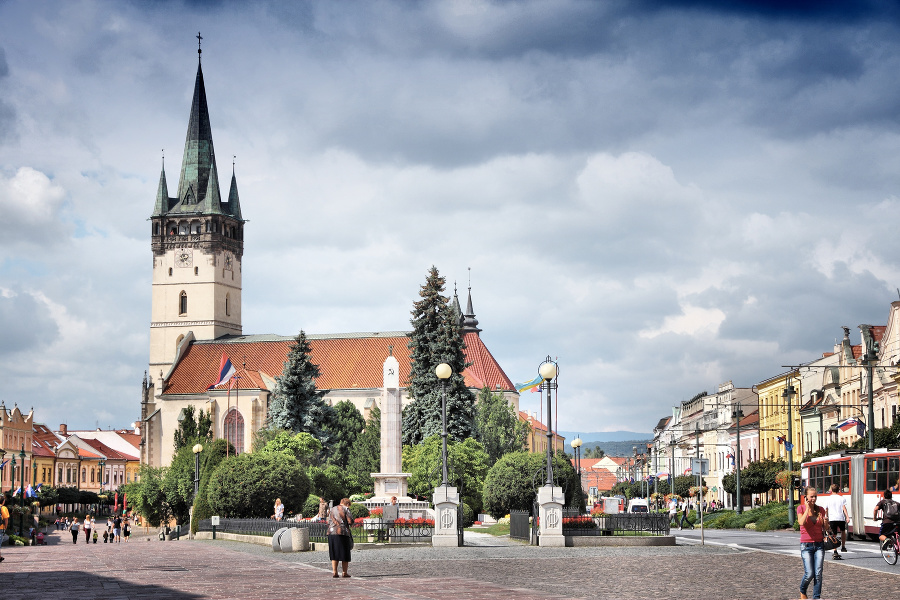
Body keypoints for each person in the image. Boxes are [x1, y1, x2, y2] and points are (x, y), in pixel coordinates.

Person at [798, 486, 830, 600]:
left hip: (819, 545)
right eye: (811, 496)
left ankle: (816, 597)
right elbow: (801, 522)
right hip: (806, 545)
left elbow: (826, 528)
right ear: (806, 497)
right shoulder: (800, 508)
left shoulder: (820, 509)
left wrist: (826, 522)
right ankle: (802, 589)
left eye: (815, 496)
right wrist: (807, 508)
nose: (814, 499)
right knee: (810, 573)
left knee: (818, 573)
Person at [327, 498, 354, 578]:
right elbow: (350, 521)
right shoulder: (346, 509)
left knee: (334, 552)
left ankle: (335, 572)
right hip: (342, 532)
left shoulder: (332, 509)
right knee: (344, 553)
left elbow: (329, 520)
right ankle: (344, 572)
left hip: (331, 532)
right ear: (348, 504)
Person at [823, 483, 850, 559]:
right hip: (840, 518)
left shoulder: (828, 499)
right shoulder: (842, 498)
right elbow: (844, 508)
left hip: (832, 518)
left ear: (831, 490)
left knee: (833, 534)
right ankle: (843, 546)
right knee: (843, 531)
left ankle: (835, 550)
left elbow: (826, 509)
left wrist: (826, 517)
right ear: (838, 490)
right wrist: (847, 517)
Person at [0, 496, 9, 562]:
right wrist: (5, 527)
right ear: (3, 502)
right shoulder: (3, 508)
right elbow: (6, 519)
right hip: (1, 527)